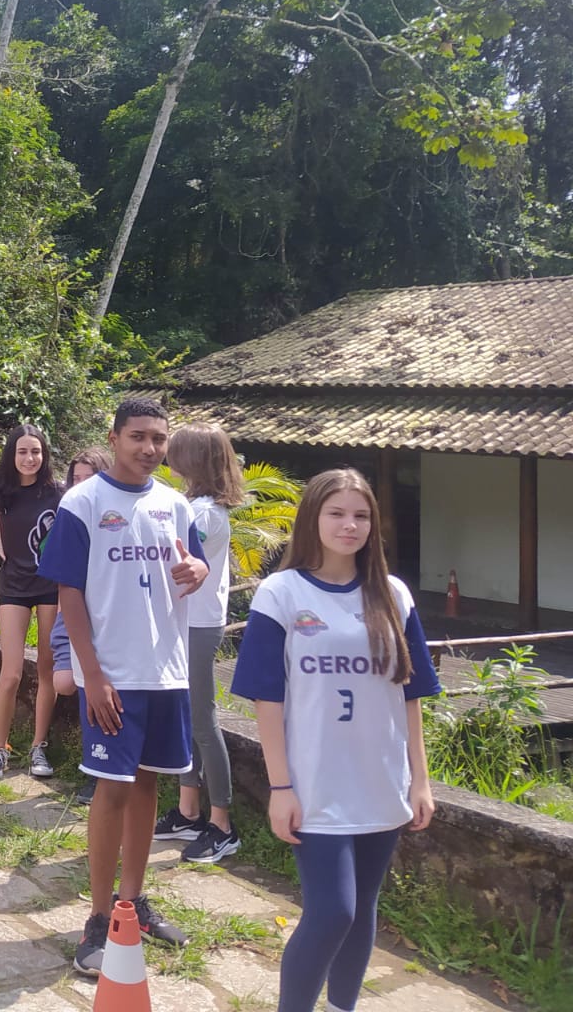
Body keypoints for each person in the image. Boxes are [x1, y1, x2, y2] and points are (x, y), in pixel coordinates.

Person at [231, 468, 440, 1012]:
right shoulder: (281, 592)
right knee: (333, 911)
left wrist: (420, 779)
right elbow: (266, 700)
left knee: (364, 906)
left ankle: (343, 1006)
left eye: (361, 515)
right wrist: (281, 786)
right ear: (313, 519)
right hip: (315, 782)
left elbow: (410, 694)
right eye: (337, 513)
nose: (350, 525)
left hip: (380, 779)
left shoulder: (393, 594)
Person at [35, 397, 208, 977]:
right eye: (138, 437)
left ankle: (133, 904)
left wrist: (199, 572)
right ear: (114, 438)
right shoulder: (82, 504)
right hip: (112, 676)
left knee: (146, 786)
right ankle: (98, 915)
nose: (150, 449)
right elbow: (70, 596)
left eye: (159, 439)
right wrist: (93, 674)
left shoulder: (176, 506)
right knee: (111, 789)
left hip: (167, 670)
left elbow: (196, 568)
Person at [152, 423, 247, 863]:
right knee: (187, 716)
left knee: (203, 720)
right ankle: (188, 810)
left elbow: (174, 564)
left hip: (200, 624)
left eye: (176, 449)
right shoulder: (194, 506)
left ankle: (222, 824)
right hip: (185, 622)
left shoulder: (204, 514)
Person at [0, 424, 64, 782]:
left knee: (46, 669)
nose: (29, 458)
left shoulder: (58, 493)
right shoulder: (0, 491)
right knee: (11, 672)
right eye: (23, 452)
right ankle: (0, 749)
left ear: (44, 455)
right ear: (12, 455)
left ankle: (38, 746)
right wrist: (1, 544)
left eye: (36, 452)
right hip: (13, 585)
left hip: (49, 586)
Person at [47, 446, 114, 806]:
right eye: (75, 478)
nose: (80, 485)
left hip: (108, 620)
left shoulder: (112, 514)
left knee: (98, 691)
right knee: (68, 684)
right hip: (72, 615)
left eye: (89, 478)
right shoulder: (68, 513)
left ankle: (98, 772)